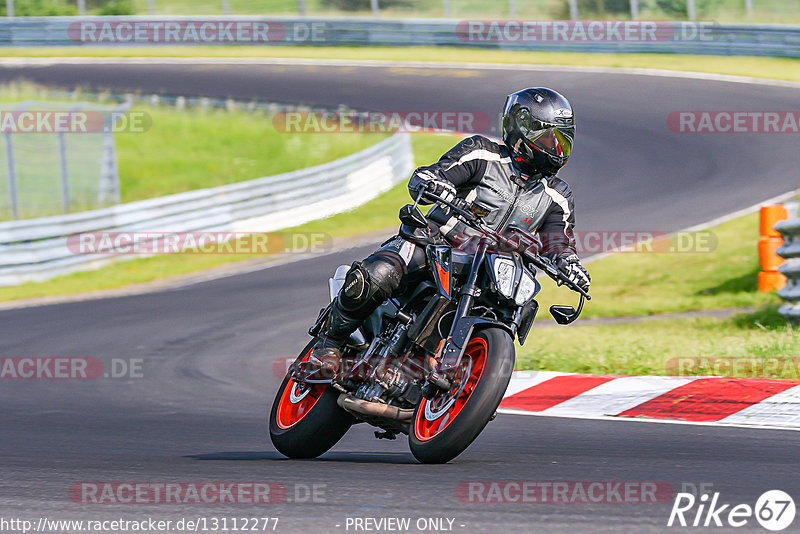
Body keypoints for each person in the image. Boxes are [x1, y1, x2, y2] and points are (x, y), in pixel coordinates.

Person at [309, 87, 590, 375]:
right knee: (381, 272)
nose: (556, 148)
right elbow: (433, 174)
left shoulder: (557, 196)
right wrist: (434, 182)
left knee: (515, 305)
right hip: (438, 245)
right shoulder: (482, 154)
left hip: (492, 272)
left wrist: (570, 265)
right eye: (547, 137)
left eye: (561, 140)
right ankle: (329, 342)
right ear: (522, 130)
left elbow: (559, 243)